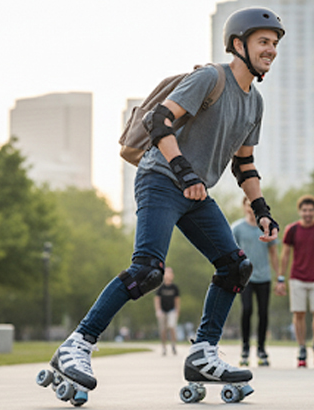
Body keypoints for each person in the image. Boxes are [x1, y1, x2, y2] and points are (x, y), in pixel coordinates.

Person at [47, 6, 284, 399]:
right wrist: (185, 172)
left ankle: (203, 354)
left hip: (196, 193)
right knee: (148, 270)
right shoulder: (211, 78)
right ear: (238, 44)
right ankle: (77, 343)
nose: (271, 50)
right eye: (264, 42)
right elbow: (160, 121)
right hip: (161, 180)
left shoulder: (254, 102)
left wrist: (262, 211)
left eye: (274, 44)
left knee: (235, 266)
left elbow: (244, 163)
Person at [277, 195, 314, 367]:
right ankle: (301, 347)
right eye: (304, 210)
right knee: (299, 313)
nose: (307, 213)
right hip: (297, 278)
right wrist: (281, 278)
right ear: (299, 211)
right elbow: (285, 255)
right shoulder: (292, 230)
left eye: (310, 210)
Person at [232, 196, 279, 366]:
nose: (251, 209)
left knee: (263, 313)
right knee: (247, 310)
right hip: (245, 278)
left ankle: (261, 349)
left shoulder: (266, 227)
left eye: (254, 206)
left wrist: (279, 277)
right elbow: (231, 253)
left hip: (264, 277)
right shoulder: (237, 228)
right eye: (248, 205)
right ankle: (245, 348)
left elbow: (274, 253)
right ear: (244, 207)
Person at [154, 267, 180, 356]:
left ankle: (173, 345)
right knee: (163, 330)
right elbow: (157, 299)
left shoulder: (174, 288)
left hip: (172, 310)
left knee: (172, 326)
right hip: (162, 311)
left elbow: (177, 300)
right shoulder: (160, 288)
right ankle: (164, 347)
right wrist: (158, 311)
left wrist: (177, 310)